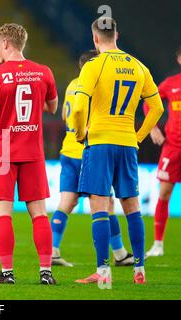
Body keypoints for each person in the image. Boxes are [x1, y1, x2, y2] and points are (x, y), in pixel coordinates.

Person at [73, 17, 164, 285]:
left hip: (100, 141)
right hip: (127, 143)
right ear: (117, 35)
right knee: (132, 206)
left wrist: (80, 134)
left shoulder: (93, 66)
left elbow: (78, 108)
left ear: (94, 39)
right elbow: (157, 108)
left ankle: (103, 272)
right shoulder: (138, 66)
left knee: (100, 206)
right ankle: (139, 269)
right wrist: (138, 136)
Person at [0, 23, 58, 285]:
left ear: (7, 44)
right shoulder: (43, 72)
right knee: (40, 214)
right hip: (32, 150)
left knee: (3, 214)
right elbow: (52, 107)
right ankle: (46, 272)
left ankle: (7, 273)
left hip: (2, 152)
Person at [51, 50, 133, 268]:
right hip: (89, 150)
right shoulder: (95, 86)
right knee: (106, 203)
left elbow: (64, 116)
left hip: (68, 150)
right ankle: (119, 253)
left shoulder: (71, 85)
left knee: (66, 201)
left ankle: (53, 250)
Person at [145, 45, 181, 257]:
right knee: (164, 193)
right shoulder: (171, 84)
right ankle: (158, 244)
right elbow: (150, 103)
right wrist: (153, 127)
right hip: (173, 147)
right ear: (178, 59)